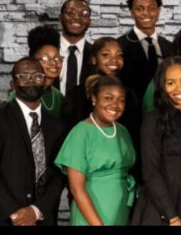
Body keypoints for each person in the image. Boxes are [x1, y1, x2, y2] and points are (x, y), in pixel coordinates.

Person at [0, 58, 66, 225]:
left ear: (44, 81)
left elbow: (59, 175)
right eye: (23, 77)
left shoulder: (56, 125)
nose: (31, 81)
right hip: (1, 218)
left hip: (41, 219)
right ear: (13, 84)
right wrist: (16, 213)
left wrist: (36, 211)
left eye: (37, 76)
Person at [131, 57, 181, 226]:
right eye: (170, 83)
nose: (179, 88)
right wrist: (172, 217)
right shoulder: (153, 120)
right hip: (160, 213)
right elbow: (150, 171)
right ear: (162, 87)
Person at [55, 75, 136, 226]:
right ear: (94, 99)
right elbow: (76, 188)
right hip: (91, 213)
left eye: (121, 100)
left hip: (120, 210)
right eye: (108, 98)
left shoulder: (123, 131)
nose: (115, 105)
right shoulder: (80, 133)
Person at [63, 37, 141, 141]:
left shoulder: (129, 95)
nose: (114, 60)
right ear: (94, 59)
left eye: (119, 56)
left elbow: (134, 134)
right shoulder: (77, 94)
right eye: (105, 55)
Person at [117, 0, 173, 103]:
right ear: (132, 13)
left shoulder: (170, 47)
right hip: (131, 115)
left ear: (158, 11)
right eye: (140, 9)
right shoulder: (119, 46)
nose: (146, 13)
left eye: (151, 8)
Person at [20, 25, 65, 117]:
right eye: (45, 58)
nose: (53, 63)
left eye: (57, 58)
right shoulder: (21, 93)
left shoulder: (58, 97)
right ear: (32, 61)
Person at [58, 0, 93, 96]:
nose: (77, 17)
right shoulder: (44, 50)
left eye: (84, 14)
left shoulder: (96, 54)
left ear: (89, 22)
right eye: (71, 12)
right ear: (60, 18)